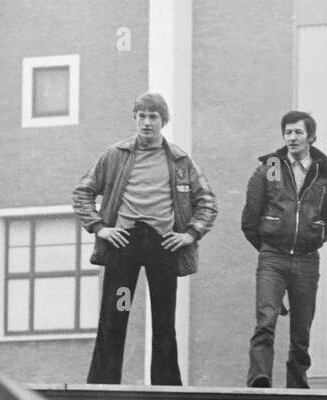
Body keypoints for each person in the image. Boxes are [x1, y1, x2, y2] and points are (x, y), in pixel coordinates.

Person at [73, 92, 218, 385]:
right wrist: (99, 227)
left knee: (163, 319)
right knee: (117, 312)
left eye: (153, 117)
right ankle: (103, 384)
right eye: (142, 116)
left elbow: (208, 201)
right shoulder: (115, 154)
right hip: (124, 243)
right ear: (135, 118)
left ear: (163, 121)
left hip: (163, 245)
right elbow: (83, 191)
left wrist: (190, 234)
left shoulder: (179, 160)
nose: (147, 122)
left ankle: (167, 388)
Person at [241, 109, 327, 388]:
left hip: (307, 259)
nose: (292, 137)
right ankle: (259, 379)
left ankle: (297, 384)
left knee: (302, 328)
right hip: (273, 256)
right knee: (266, 318)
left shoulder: (325, 173)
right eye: (288, 132)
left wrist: (314, 236)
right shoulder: (270, 168)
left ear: (311, 136)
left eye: (298, 132)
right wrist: (267, 245)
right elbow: (250, 218)